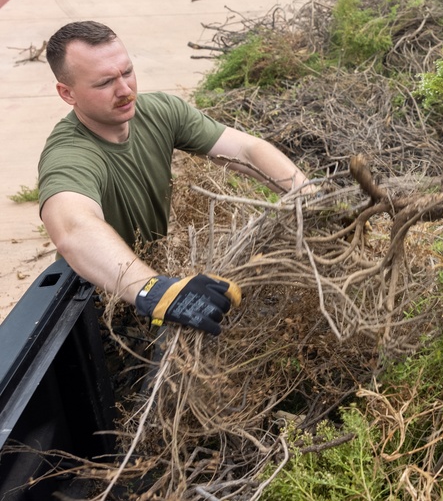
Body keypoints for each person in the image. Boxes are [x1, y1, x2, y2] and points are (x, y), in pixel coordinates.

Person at [37, 21, 313, 335]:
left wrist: (310, 198)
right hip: (103, 304)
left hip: (153, 278)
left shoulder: (159, 112)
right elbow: (74, 229)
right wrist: (153, 290)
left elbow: (247, 150)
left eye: (126, 72)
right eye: (104, 83)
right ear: (67, 93)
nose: (125, 90)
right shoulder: (69, 154)